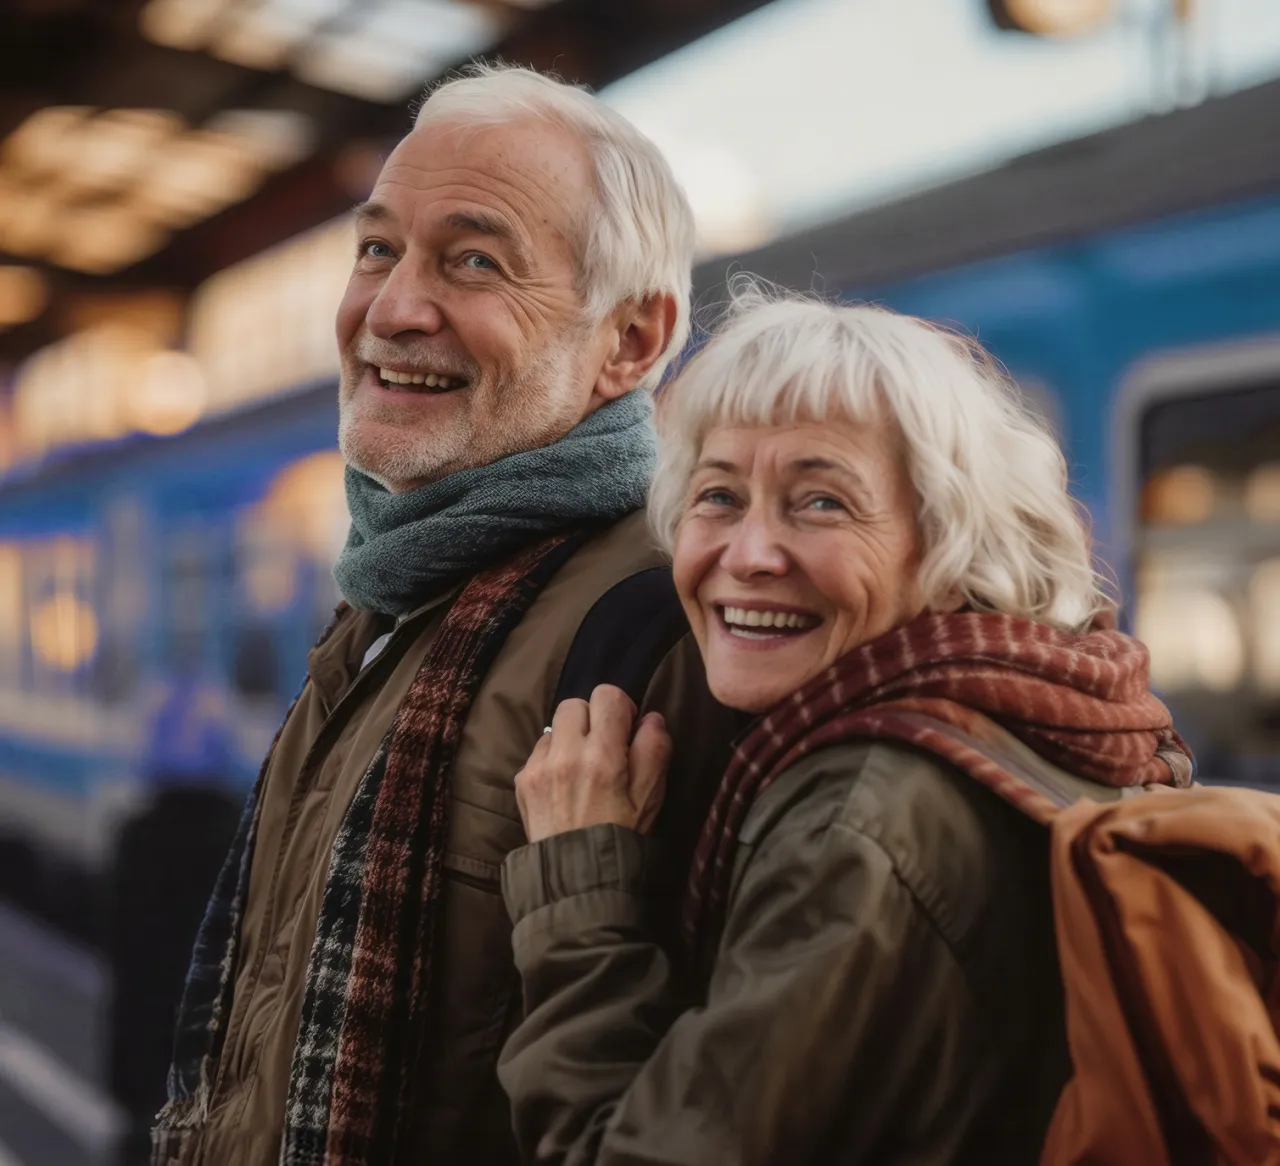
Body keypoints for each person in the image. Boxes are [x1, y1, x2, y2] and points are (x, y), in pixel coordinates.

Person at [150, 64, 740, 1166]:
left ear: (629, 339)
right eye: (377, 248)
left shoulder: (663, 627)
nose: (391, 307)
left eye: (474, 260)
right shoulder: (396, 591)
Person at [499, 285, 1194, 1165]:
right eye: (718, 497)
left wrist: (579, 894)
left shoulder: (864, 819)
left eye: (820, 502)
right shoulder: (1057, 716)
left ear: (949, 547)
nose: (748, 554)